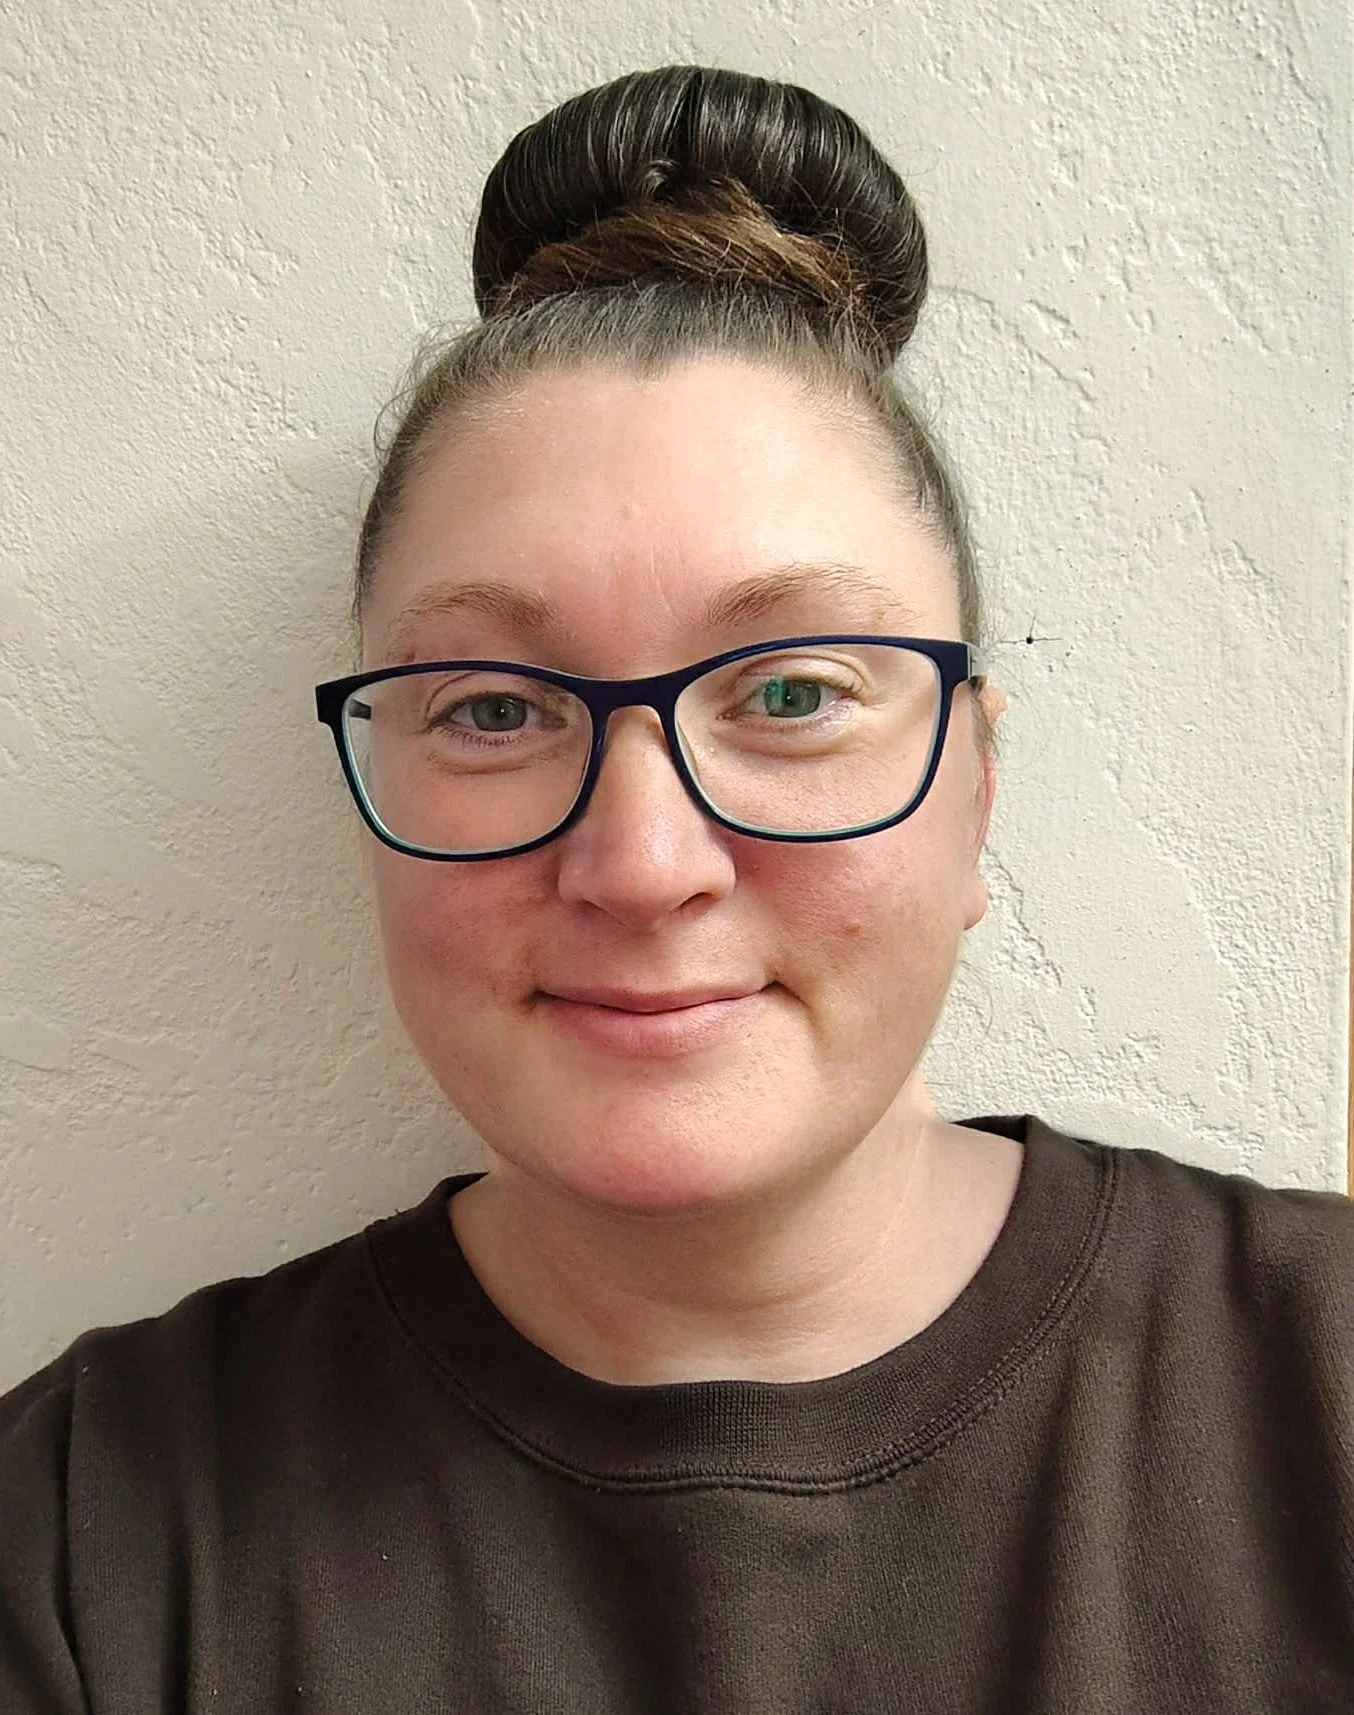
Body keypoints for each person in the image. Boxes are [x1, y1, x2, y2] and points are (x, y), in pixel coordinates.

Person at [1, 62, 1350, 1715]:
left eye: (789, 692)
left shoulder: (1324, 1386)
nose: (642, 866)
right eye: (493, 710)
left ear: (975, 787)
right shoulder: (84, 1542)